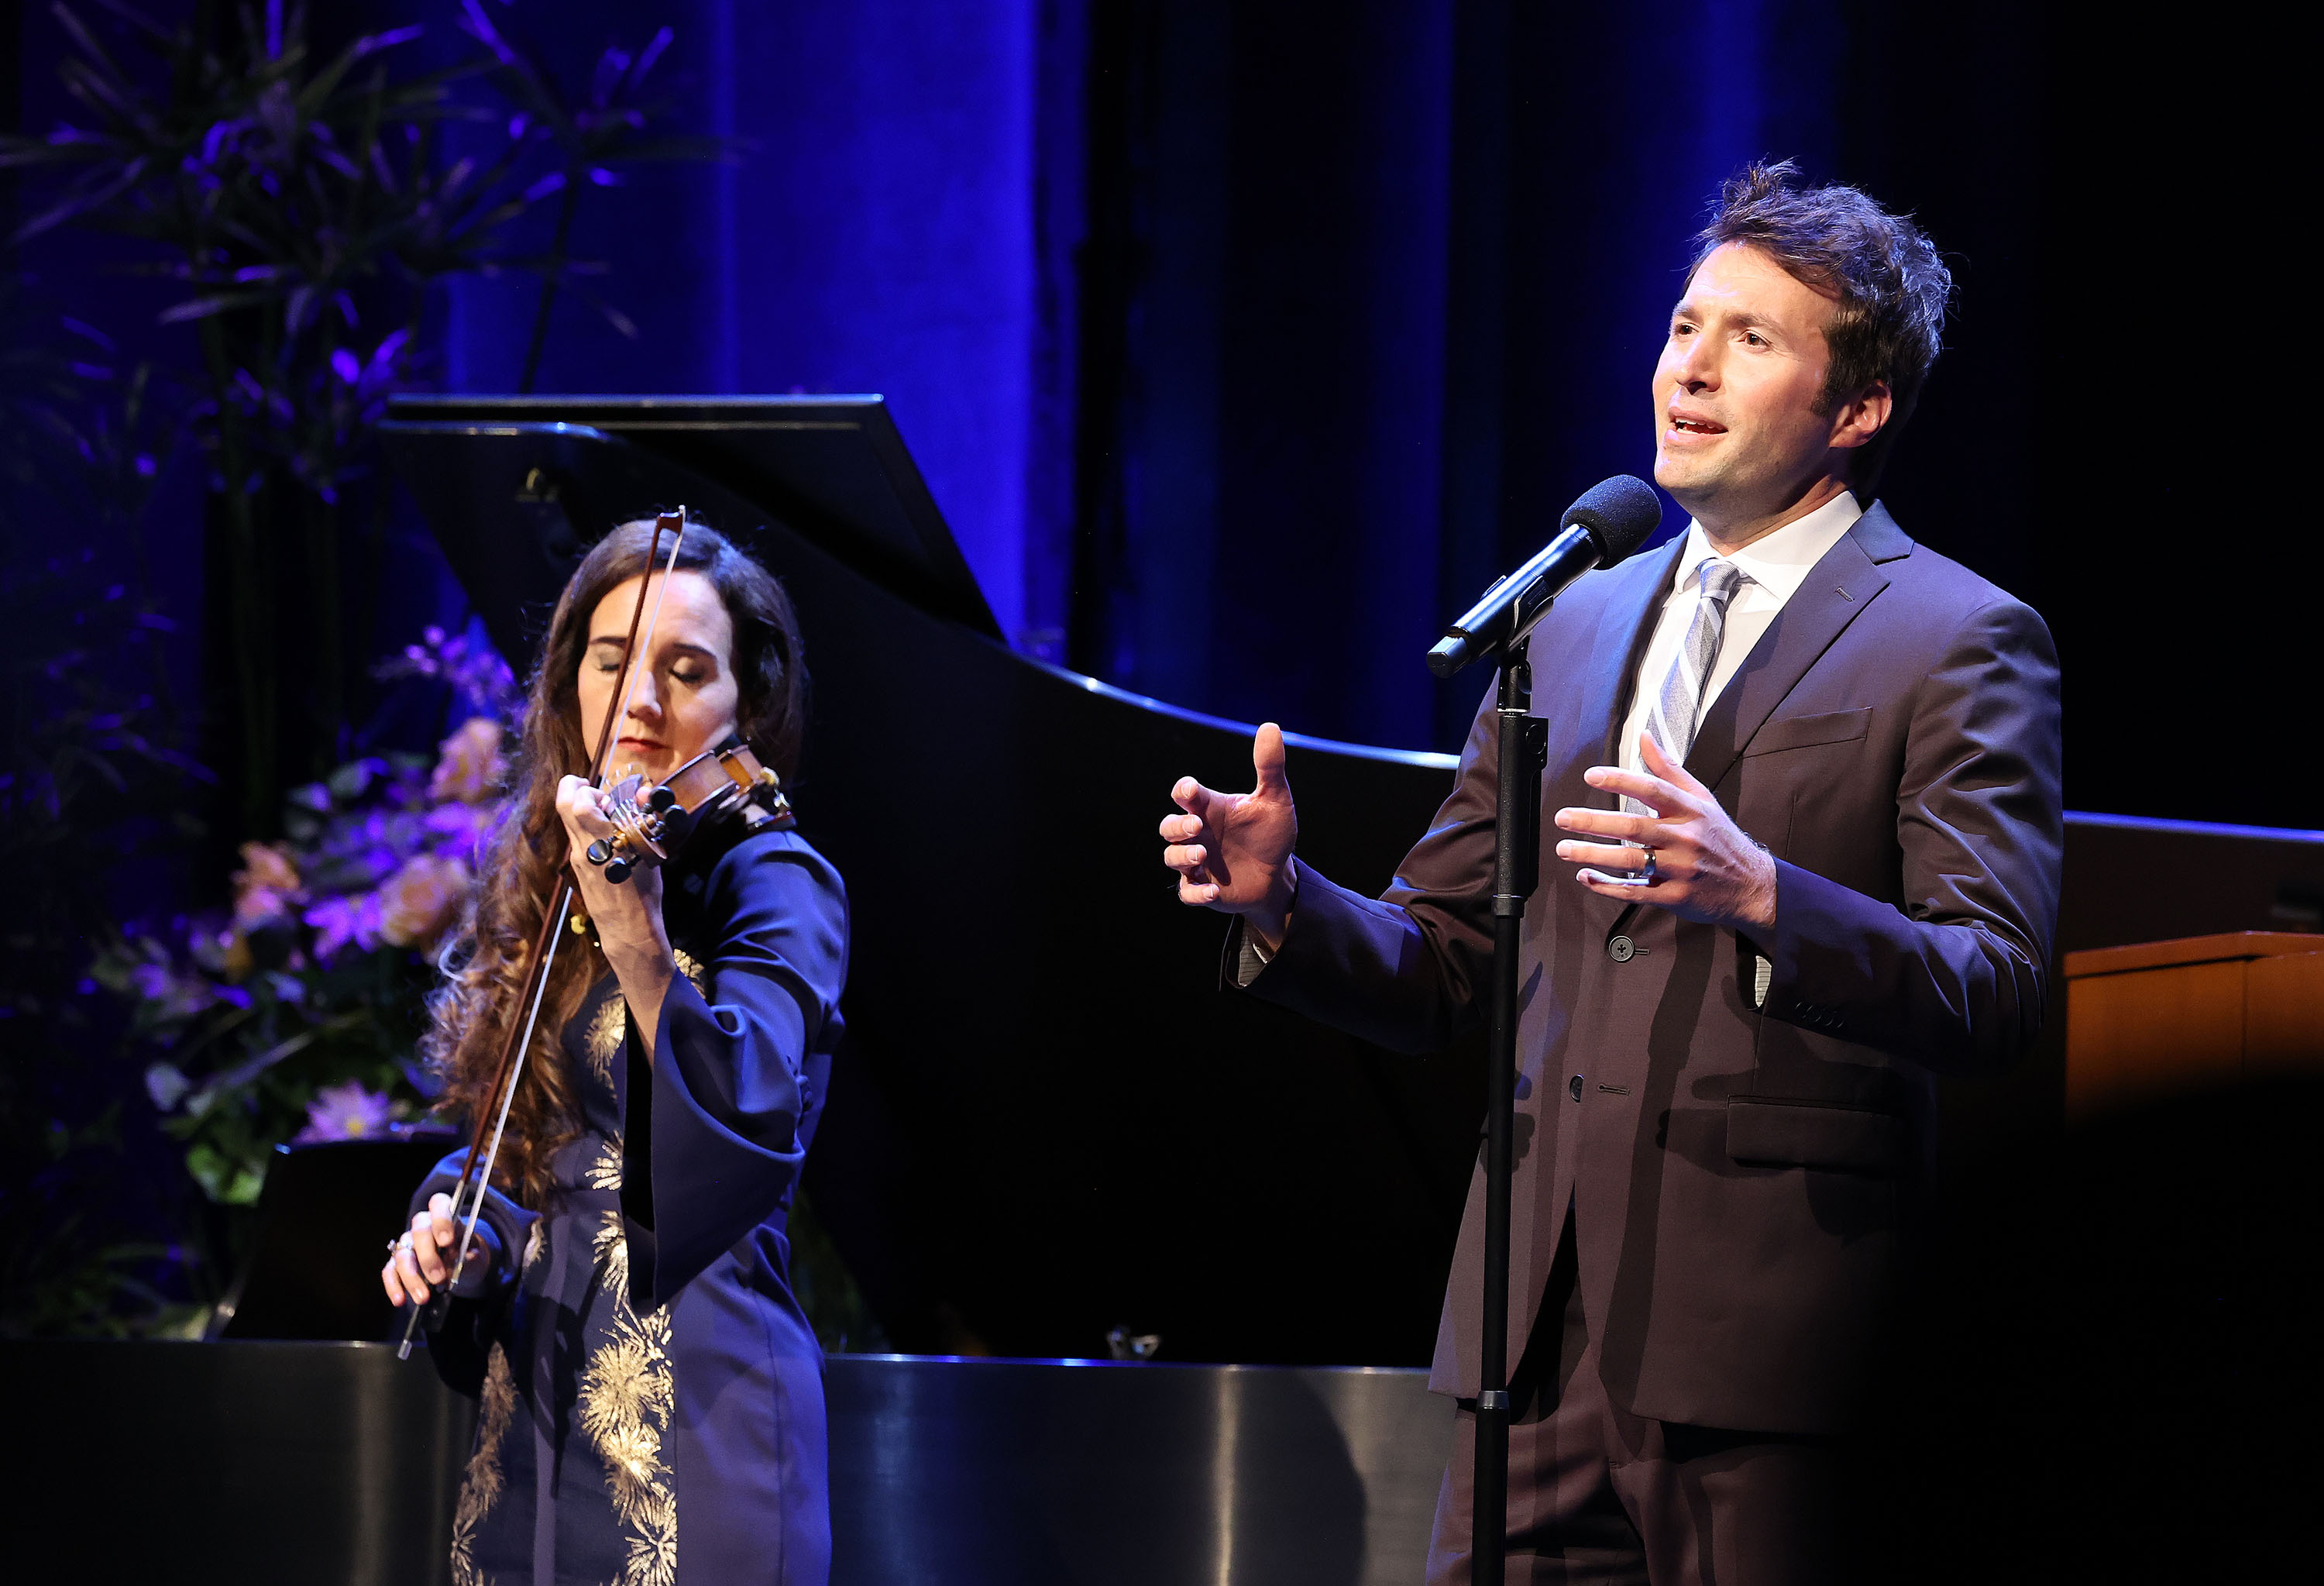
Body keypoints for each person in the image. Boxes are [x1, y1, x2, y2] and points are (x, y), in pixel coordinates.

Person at [1159, 162, 2061, 1584]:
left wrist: (1766, 890)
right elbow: (1444, 957)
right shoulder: (1573, 620)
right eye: (1684, 325)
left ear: (1860, 406)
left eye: (1751, 340)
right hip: (1534, 1331)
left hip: (1772, 1355)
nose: (1688, 368)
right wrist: (1289, 904)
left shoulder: (1957, 637)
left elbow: (1999, 992)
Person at [380, 518, 848, 1586]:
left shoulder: (774, 881)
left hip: (702, 1422)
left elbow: (740, 1129)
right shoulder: (556, 881)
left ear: (746, 708)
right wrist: (466, 1229)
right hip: (534, 1425)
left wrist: (636, 931)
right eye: (612, 662)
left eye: (686, 671)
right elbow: (533, 1154)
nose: (642, 698)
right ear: (570, 688)